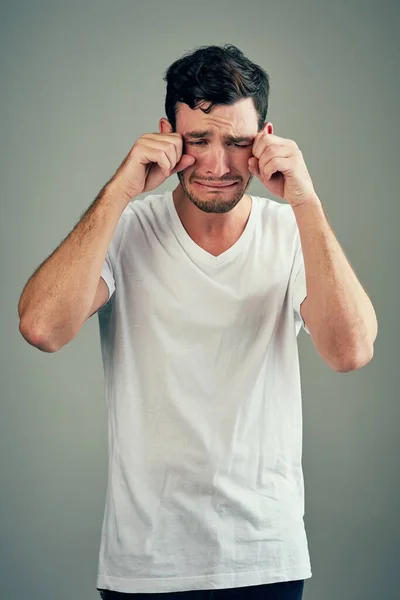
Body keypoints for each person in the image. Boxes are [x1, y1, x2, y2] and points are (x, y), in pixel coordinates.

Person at [18, 44, 377, 599]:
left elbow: (351, 350)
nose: (216, 164)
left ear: (265, 138)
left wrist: (307, 202)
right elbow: (42, 326)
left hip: (264, 558)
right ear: (167, 133)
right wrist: (120, 189)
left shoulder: (290, 233)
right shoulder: (128, 228)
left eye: (237, 142)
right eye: (197, 140)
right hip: (145, 563)